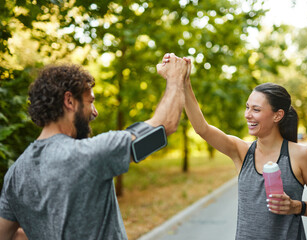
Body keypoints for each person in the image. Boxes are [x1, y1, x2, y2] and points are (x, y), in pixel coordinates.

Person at [0, 53, 189, 240]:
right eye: (90, 101)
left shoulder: (16, 173)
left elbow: (5, 234)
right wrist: (175, 76)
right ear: (69, 101)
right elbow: (167, 124)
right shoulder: (86, 155)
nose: (95, 112)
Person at [164, 55, 307, 239]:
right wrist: (184, 82)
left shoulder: (300, 155)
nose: (247, 115)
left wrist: (296, 206)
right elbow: (201, 128)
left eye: (256, 110)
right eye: (247, 107)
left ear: (277, 115)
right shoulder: (242, 151)